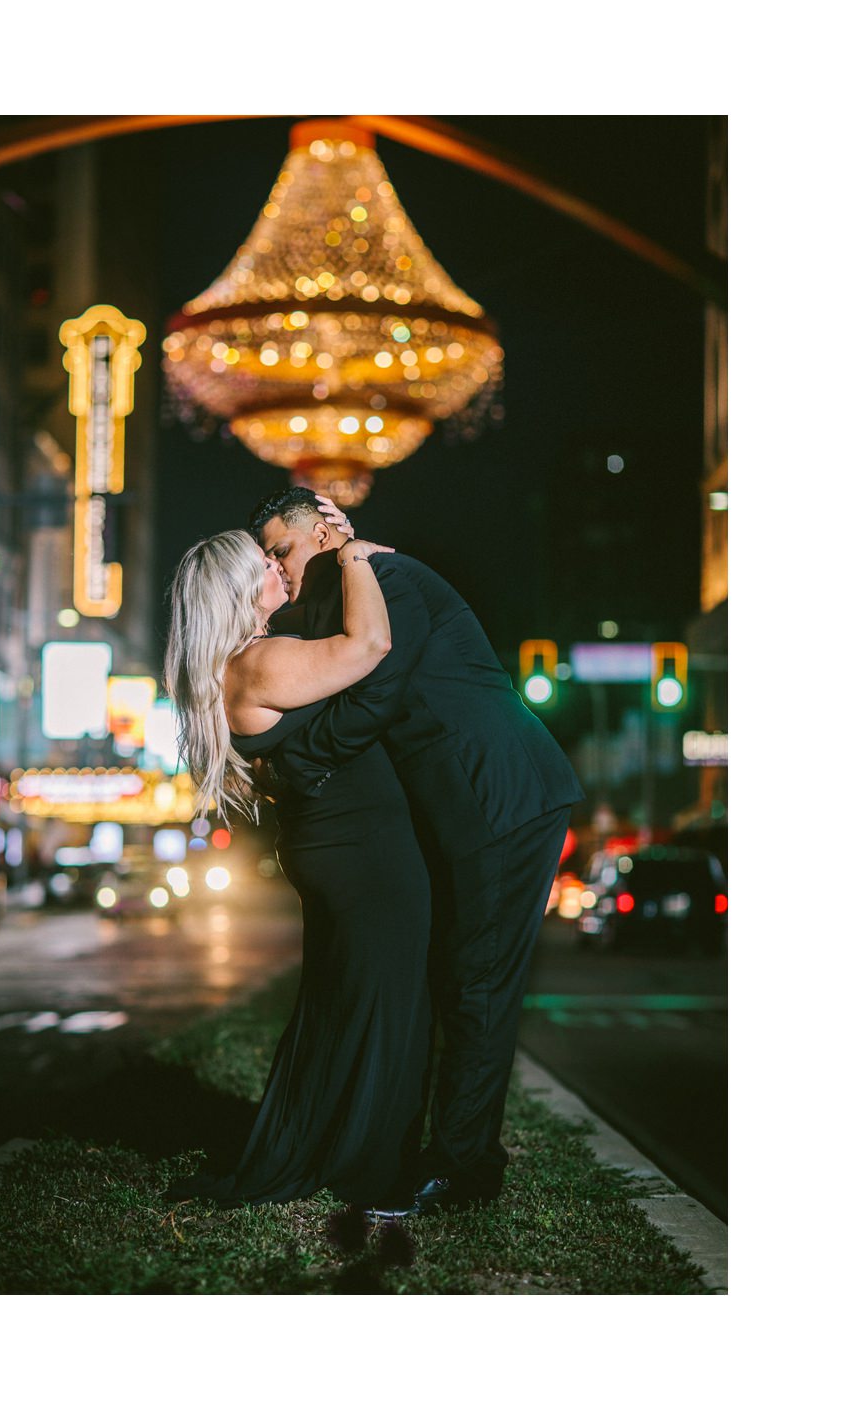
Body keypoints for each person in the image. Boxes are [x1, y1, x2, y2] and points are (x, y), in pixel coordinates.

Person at [248, 487, 584, 1217]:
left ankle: (465, 1170)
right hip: (465, 801)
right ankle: (444, 1151)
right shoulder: (346, 595)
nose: (276, 568)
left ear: (324, 532)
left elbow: (369, 702)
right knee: (455, 974)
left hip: (500, 798)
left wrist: (293, 766)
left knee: (476, 982)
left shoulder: (386, 581)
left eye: (282, 550)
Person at [163, 521, 430, 1210]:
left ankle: (329, 1144)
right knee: (385, 1006)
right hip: (362, 850)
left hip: (341, 847)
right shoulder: (259, 663)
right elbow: (371, 645)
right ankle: (373, 1173)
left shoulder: (241, 664)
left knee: (346, 1006)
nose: (279, 567)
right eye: (265, 562)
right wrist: (357, 557)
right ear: (236, 587)